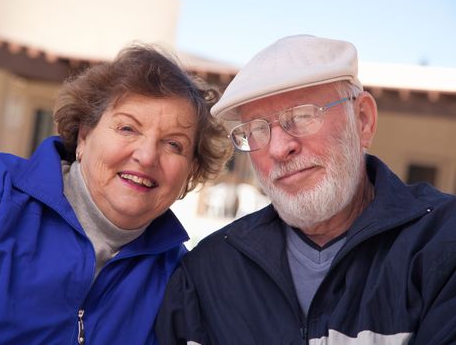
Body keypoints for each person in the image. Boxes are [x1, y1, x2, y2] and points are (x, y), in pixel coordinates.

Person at [156, 34, 456, 344]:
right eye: (257, 129)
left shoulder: (443, 243)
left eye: (301, 116)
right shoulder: (209, 273)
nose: (279, 148)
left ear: (363, 120)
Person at [0, 44, 232, 344]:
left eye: (173, 145)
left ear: (190, 171)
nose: (147, 156)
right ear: (84, 137)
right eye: (128, 128)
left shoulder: (180, 279)